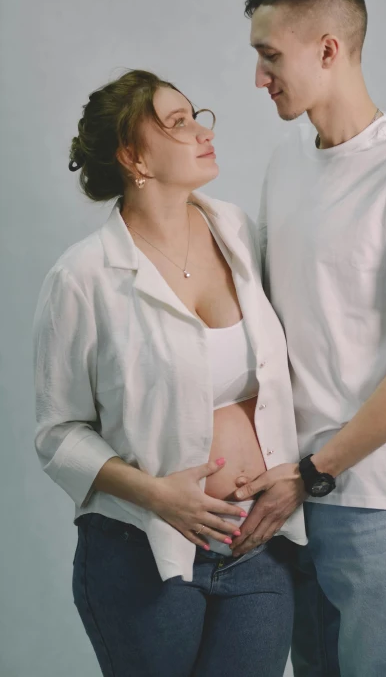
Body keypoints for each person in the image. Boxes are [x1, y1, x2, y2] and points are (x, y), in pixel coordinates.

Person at [229, 0, 386, 676]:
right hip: (288, 498)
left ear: (329, 49)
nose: (258, 77)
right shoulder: (285, 162)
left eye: (270, 55)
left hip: (366, 498)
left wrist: (315, 470)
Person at [32, 69, 307, 677]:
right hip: (143, 553)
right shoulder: (83, 276)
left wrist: (293, 466)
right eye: (177, 123)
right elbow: (57, 432)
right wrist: (158, 495)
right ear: (134, 157)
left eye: (195, 115)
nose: (201, 131)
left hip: (255, 546)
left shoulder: (235, 230)